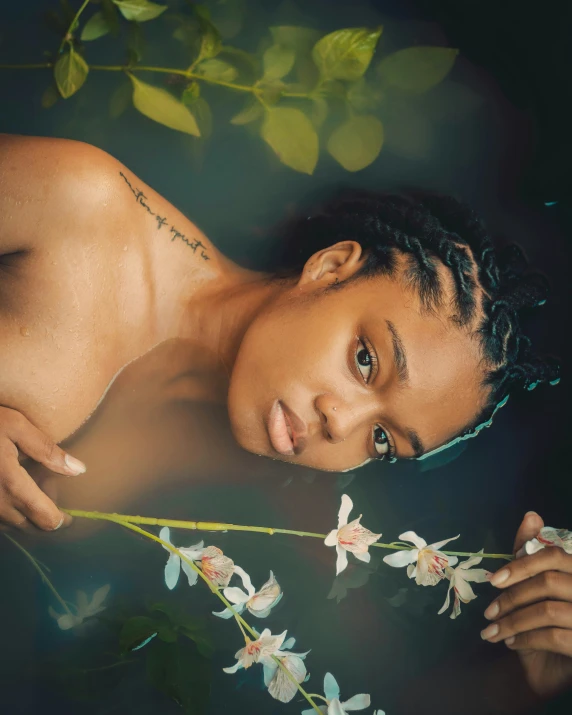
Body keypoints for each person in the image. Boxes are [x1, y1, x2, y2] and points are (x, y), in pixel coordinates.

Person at [0, 133, 570, 704]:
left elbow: (375, 677)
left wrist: (530, 683)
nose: (340, 425)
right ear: (330, 267)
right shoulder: (77, 202)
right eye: (366, 360)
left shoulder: (257, 491)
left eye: (382, 439)